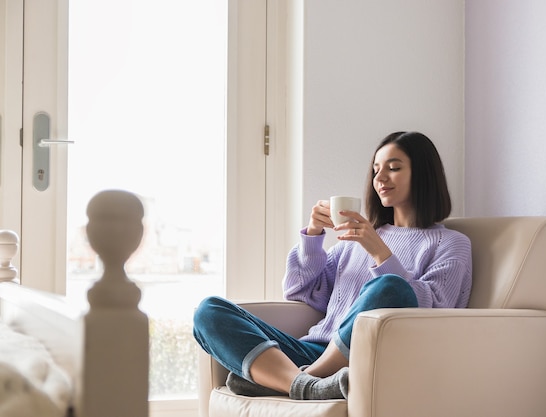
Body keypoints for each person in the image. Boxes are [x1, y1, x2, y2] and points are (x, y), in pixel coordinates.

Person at [193, 131, 472, 400]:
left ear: (422, 175)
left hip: (362, 360)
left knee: (391, 287)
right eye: (376, 169)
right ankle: (303, 383)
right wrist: (313, 235)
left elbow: (434, 310)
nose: (380, 178)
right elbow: (299, 291)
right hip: (311, 350)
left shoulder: (450, 243)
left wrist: (380, 253)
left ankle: (296, 381)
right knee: (209, 310)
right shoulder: (354, 239)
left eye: (394, 167)